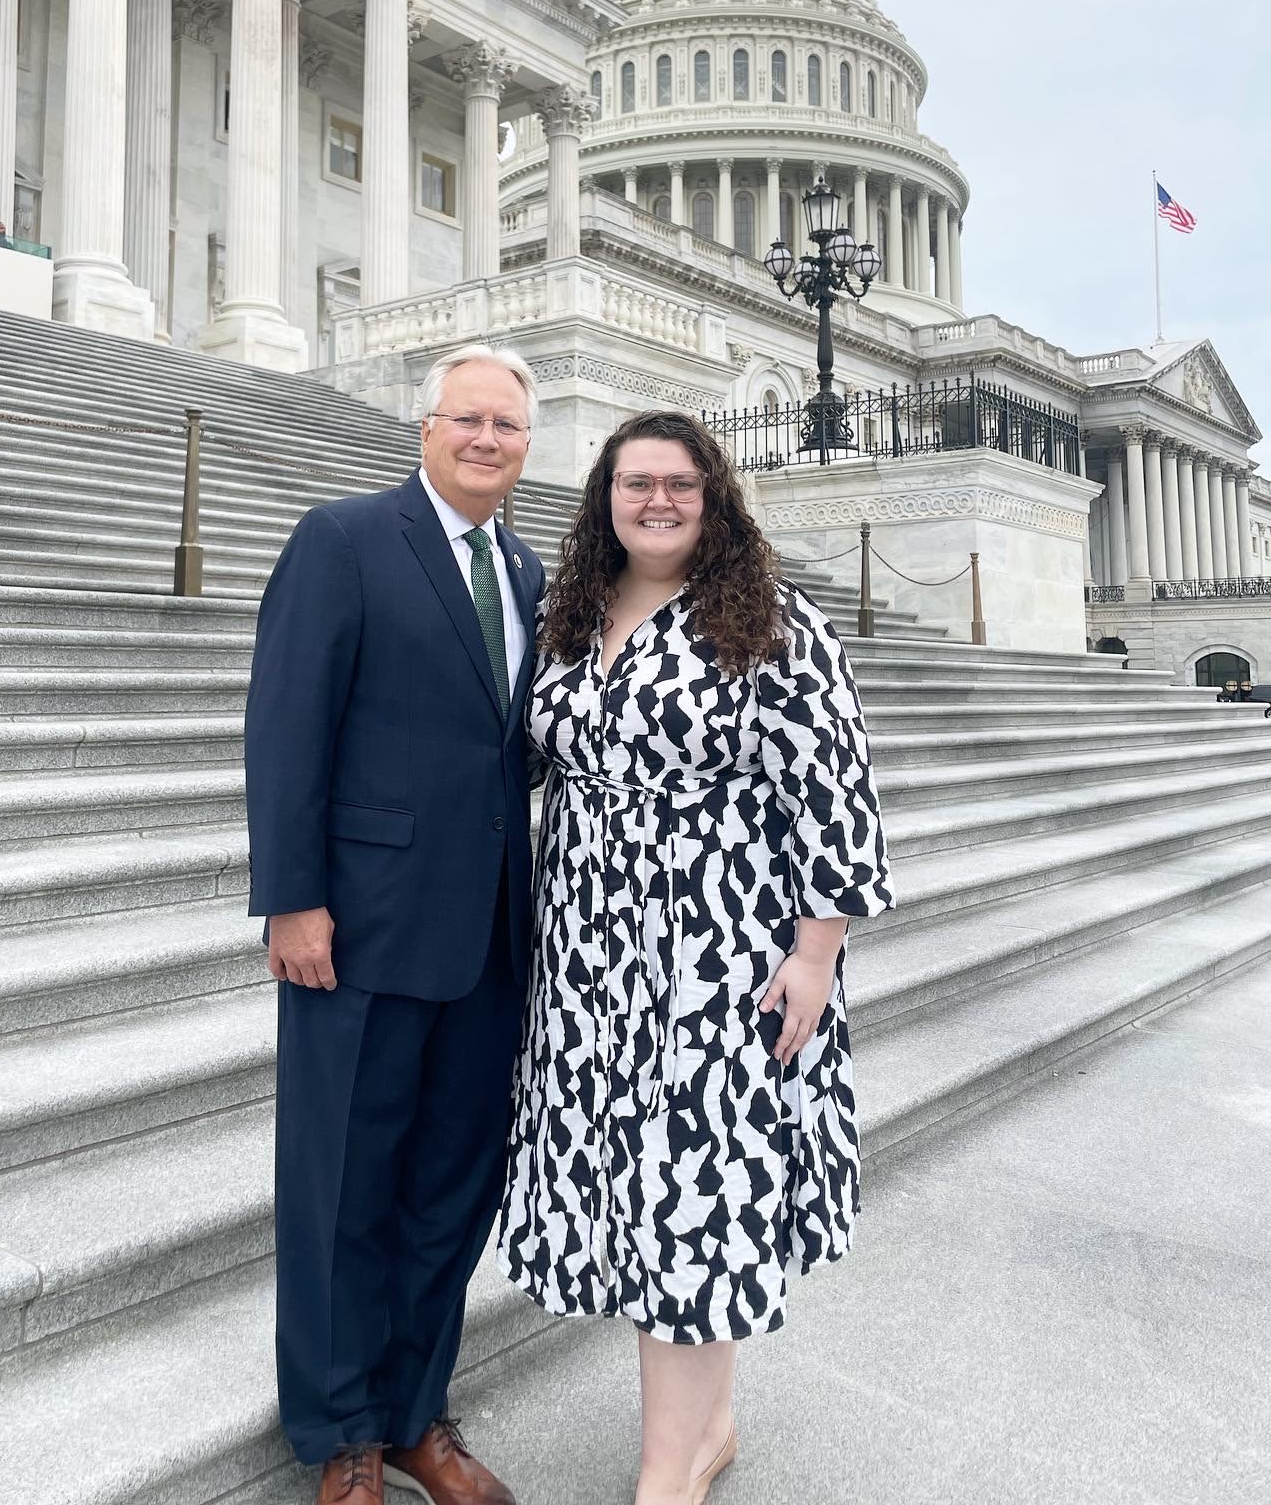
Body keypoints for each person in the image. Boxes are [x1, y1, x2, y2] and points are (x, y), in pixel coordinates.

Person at [498, 409, 894, 1505]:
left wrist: (816, 955)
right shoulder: (570, 617)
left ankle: (669, 1464)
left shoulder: (766, 621)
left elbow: (834, 793)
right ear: (606, 500)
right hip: (585, 950)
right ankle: (708, 1421)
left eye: (680, 483)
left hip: (720, 950)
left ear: (713, 497)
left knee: (695, 1182)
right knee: (629, 1184)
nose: (658, 501)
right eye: (637, 484)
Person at [245, 345, 545, 1505]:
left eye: (507, 427)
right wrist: (293, 896)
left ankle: (419, 1413)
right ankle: (343, 1431)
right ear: (425, 429)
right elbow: (285, 725)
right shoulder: (345, 539)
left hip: (485, 943)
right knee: (341, 1188)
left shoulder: (525, 571)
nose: (485, 440)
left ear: (528, 446)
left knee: (449, 1188)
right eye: (466, 419)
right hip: (356, 931)